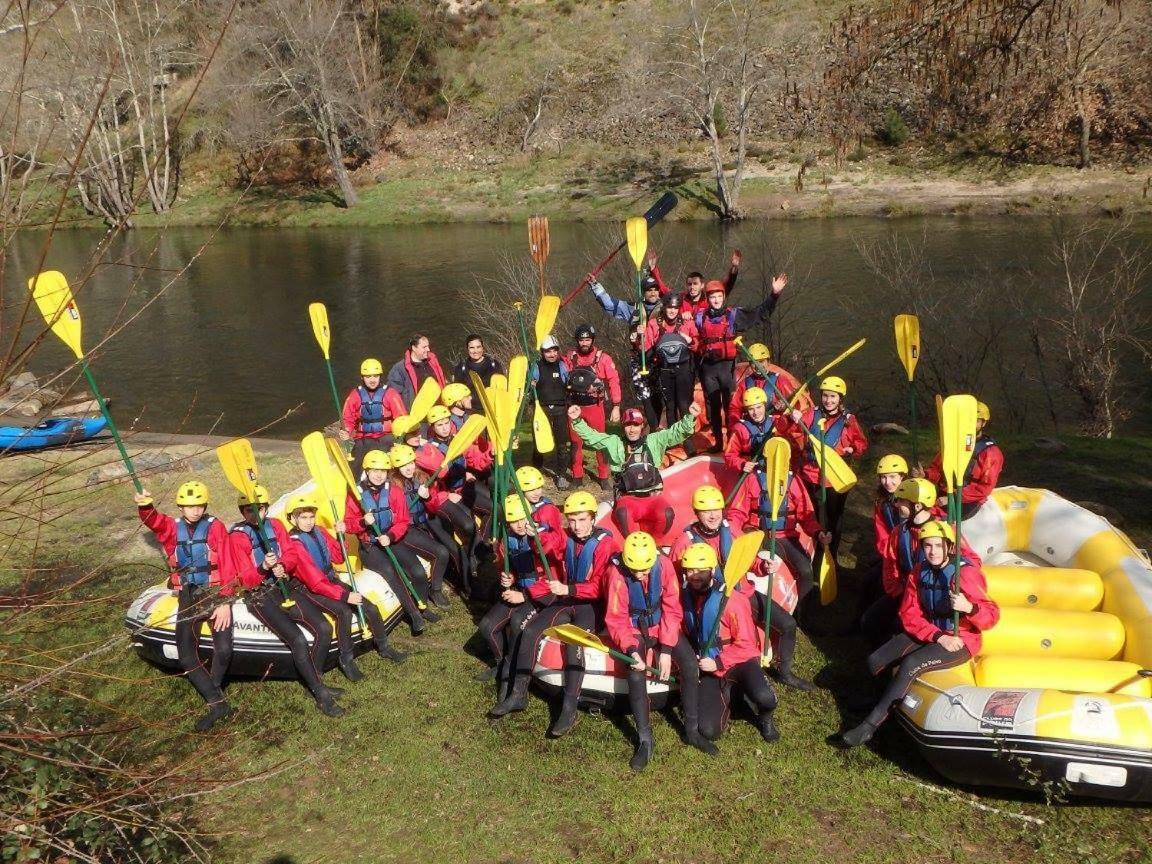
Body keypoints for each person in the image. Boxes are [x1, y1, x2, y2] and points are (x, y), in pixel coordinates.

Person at [837, 521, 999, 747]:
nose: (932, 552)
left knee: (911, 663)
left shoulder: (966, 574)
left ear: (950, 547)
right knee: (875, 660)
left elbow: (992, 616)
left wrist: (969, 608)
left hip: (960, 640)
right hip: (934, 633)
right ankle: (879, 699)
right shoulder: (919, 571)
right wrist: (936, 636)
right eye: (927, 546)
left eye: (938, 546)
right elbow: (909, 613)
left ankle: (869, 726)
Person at [488, 491, 618, 738]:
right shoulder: (565, 535)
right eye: (572, 520)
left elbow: (600, 586)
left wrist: (568, 588)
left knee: (573, 645)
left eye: (582, 520)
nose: (576, 526)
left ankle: (568, 709)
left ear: (592, 518)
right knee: (531, 630)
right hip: (565, 599)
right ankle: (518, 694)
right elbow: (550, 545)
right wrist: (535, 538)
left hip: (590, 605)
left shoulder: (605, 544)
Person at [670, 484, 813, 690]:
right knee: (743, 645)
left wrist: (763, 566)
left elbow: (749, 561)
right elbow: (676, 584)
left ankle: (785, 673)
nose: (713, 515)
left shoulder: (733, 531)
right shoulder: (684, 543)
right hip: (712, 604)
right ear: (696, 512)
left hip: (742, 594)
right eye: (706, 511)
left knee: (788, 625)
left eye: (716, 509)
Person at [228, 486, 345, 717]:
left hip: (283, 586)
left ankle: (315, 680)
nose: (254, 514)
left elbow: (291, 553)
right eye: (249, 510)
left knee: (323, 628)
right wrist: (262, 567)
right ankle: (321, 695)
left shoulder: (277, 526)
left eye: (259, 509)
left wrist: (283, 565)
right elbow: (242, 578)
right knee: (298, 640)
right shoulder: (238, 537)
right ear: (242, 512)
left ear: (266, 508)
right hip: (259, 595)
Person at [605, 532, 717, 771]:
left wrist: (666, 648)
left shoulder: (663, 565)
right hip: (634, 628)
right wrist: (632, 649)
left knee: (688, 665)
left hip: (662, 623)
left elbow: (672, 607)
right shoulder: (616, 574)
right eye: (634, 570)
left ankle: (692, 730)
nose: (639, 575)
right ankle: (645, 740)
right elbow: (617, 619)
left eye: (644, 570)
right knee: (635, 676)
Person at [135, 481, 237, 731]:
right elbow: (154, 521)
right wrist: (145, 504)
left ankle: (212, 692)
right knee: (186, 653)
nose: (195, 511)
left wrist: (224, 600)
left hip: (214, 592)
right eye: (189, 506)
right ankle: (217, 702)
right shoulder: (172, 528)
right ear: (181, 507)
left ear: (205, 506)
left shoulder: (216, 528)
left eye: (199, 505)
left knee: (223, 650)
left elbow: (227, 563)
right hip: (189, 596)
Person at [286, 494, 407, 678]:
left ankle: (384, 647)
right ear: (292, 518)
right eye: (303, 517)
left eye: (311, 517)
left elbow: (338, 557)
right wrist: (344, 596)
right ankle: (346, 659)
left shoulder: (319, 531)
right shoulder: (294, 544)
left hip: (329, 580)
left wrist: (340, 536)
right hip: (308, 588)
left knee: (371, 608)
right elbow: (314, 582)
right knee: (344, 611)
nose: (309, 522)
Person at [680, 542, 780, 744]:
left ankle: (765, 716)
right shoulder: (685, 598)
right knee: (708, 731)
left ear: (713, 570)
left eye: (701, 570)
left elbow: (747, 645)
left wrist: (718, 662)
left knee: (765, 698)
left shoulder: (732, 600)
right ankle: (733, 696)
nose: (694, 575)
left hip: (739, 662)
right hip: (711, 671)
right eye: (690, 570)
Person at [568, 402, 701, 540]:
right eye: (628, 425)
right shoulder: (615, 442)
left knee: (667, 514)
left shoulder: (655, 440)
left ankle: (653, 544)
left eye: (636, 425)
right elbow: (592, 437)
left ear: (642, 425)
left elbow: (676, 432)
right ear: (623, 426)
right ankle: (631, 544)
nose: (632, 429)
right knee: (623, 514)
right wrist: (577, 420)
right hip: (627, 498)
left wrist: (690, 417)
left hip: (652, 498)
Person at [344, 451, 438, 637]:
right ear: (367, 471)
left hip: (392, 539)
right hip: (370, 546)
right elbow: (348, 524)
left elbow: (403, 521)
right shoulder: (356, 494)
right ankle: (414, 614)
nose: (379, 475)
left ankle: (423, 604)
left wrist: (392, 536)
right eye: (375, 470)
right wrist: (363, 522)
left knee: (418, 572)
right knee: (390, 571)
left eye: (383, 471)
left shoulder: (394, 491)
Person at [725, 460, 831, 627]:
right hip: (756, 533)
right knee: (745, 568)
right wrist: (734, 535)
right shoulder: (752, 479)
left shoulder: (794, 481)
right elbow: (736, 513)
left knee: (805, 571)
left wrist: (818, 532)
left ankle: (802, 615)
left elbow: (806, 515)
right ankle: (745, 612)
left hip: (785, 536)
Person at [475, 493, 565, 687]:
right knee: (487, 627)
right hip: (519, 589)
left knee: (518, 623)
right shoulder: (507, 540)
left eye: (522, 518)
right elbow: (508, 566)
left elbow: (552, 578)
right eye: (513, 521)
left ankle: (515, 666)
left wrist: (523, 595)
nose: (519, 525)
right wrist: (509, 577)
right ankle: (501, 664)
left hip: (541, 593)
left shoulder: (542, 540)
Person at [695, 273, 788, 450]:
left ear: (724, 297)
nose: (716, 300)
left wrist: (774, 295)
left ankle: (732, 440)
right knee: (713, 407)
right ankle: (718, 442)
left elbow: (759, 314)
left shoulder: (733, 315)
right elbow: (687, 334)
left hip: (726, 367)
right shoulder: (700, 317)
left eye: (719, 296)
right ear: (707, 299)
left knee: (731, 407)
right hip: (708, 368)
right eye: (712, 297)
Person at [786, 375, 868, 558]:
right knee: (810, 515)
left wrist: (851, 449)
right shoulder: (811, 414)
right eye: (825, 396)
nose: (828, 400)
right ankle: (814, 548)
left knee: (833, 517)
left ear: (840, 398)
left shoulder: (849, 420)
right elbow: (789, 431)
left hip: (834, 478)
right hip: (809, 474)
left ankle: (831, 552)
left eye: (833, 396)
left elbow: (862, 444)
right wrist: (793, 419)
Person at [420, 404, 492, 594]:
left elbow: (475, 460)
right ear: (432, 428)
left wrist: (490, 454)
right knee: (468, 526)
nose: (444, 427)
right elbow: (434, 481)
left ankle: (479, 551)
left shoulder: (458, 440)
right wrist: (446, 493)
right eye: (439, 425)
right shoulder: (429, 449)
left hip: (462, 487)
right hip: (446, 495)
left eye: (446, 423)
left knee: (491, 510)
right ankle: (470, 563)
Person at [387, 443, 457, 608]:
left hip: (424, 521)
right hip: (406, 529)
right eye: (403, 465)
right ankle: (436, 590)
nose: (408, 468)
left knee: (448, 546)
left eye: (410, 463)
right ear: (396, 468)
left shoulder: (423, 478)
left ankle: (450, 579)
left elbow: (433, 507)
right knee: (441, 552)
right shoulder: (392, 487)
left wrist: (427, 498)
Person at [922, 400, 1004, 519]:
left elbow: (984, 488)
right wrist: (925, 474)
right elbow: (938, 471)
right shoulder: (953, 444)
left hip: (967, 500)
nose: (970, 423)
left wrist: (953, 498)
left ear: (983, 423)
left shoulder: (991, 453)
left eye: (975, 420)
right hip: (944, 493)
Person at [566, 324, 622, 491]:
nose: (584, 343)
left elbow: (613, 380)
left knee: (600, 441)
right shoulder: (570, 357)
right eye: (581, 340)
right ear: (577, 340)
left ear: (592, 340)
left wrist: (616, 405)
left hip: (595, 406)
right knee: (576, 443)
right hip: (575, 407)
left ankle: (604, 476)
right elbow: (559, 371)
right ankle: (577, 476)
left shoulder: (603, 358)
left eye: (587, 340)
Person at [339, 358, 407, 472]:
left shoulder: (390, 393)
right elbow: (348, 418)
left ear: (380, 376)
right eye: (368, 377)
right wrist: (346, 431)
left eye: (375, 376)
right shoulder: (355, 395)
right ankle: (357, 484)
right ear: (362, 377)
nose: (372, 380)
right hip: (363, 438)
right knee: (356, 467)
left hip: (387, 437)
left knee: (390, 466)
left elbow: (401, 418)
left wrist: (401, 437)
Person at [645, 294, 699, 426]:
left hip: (684, 369)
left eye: (675, 308)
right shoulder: (654, 324)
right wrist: (638, 337)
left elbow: (697, 345)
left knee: (684, 404)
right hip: (664, 369)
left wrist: (690, 340)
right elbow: (646, 346)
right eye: (669, 307)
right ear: (664, 308)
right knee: (670, 406)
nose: (672, 311)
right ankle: (673, 438)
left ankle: (687, 439)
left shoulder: (687, 322)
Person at [529, 335, 572, 489]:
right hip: (542, 409)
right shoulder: (536, 366)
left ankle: (560, 475)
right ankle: (536, 470)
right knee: (539, 443)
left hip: (560, 408)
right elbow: (529, 386)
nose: (552, 354)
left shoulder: (562, 366)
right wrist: (530, 384)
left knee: (561, 444)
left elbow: (568, 383)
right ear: (542, 352)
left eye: (554, 351)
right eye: (548, 351)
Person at [726, 343, 796, 430]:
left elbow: (795, 406)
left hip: (775, 427)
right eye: (754, 362)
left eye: (761, 361)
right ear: (750, 364)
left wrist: (784, 407)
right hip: (752, 428)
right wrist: (736, 426)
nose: (758, 366)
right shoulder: (744, 384)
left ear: (768, 362)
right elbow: (734, 409)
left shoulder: (780, 380)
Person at [723, 387, 789, 476]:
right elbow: (729, 456)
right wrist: (742, 464)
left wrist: (793, 416)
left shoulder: (776, 421)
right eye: (751, 409)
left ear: (765, 405)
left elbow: (792, 428)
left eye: (759, 407)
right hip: (752, 474)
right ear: (747, 410)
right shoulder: (740, 429)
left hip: (774, 471)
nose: (756, 412)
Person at [387, 333, 447, 410]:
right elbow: (394, 395)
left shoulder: (433, 361)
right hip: (417, 414)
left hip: (438, 412)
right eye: (424, 347)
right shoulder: (399, 369)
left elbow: (441, 381)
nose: (428, 349)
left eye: (428, 346)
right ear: (414, 348)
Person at [678, 250, 741, 321]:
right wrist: (681, 315)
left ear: (702, 285)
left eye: (695, 284)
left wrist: (734, 269)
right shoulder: (681, 298)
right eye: (689, 284)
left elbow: (726, 286)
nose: (692, 287)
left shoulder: (709, 299)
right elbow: (664, 292)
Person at [873, 454, 909, 560]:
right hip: (893, 551)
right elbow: (881, 532)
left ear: (902, 476)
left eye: (892, 476)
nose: (887, 482)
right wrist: (890, 553)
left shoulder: (915, 497)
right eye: (884, 477)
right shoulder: (881, 502)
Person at [452, 335, 504, 404]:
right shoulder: (461, 368)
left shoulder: (493, 365)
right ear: (467, 349)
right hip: (470, 409)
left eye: (478, 347)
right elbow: (458, 390)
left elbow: (501, 388)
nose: (475, 351)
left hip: (491, 405)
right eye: (472, 348)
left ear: (483, 348)